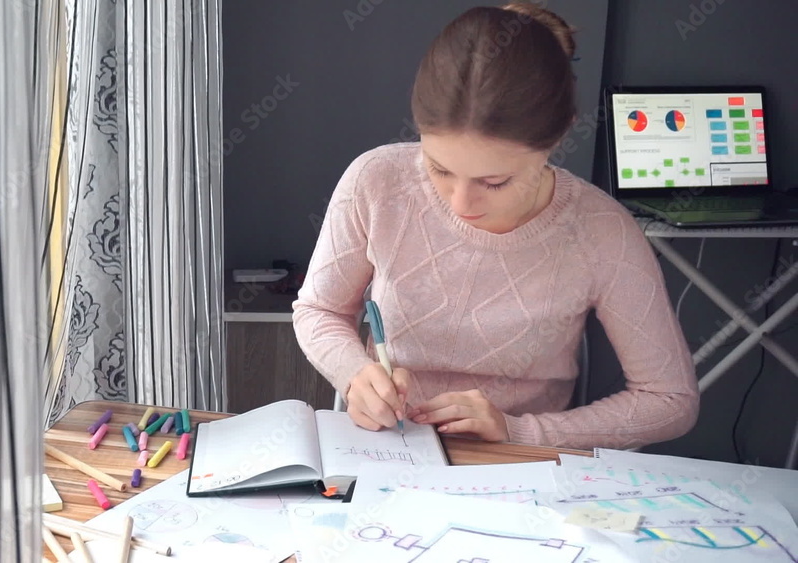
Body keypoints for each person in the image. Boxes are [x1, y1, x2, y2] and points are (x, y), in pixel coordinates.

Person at [292, 3, 699, 450]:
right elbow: (319, 311)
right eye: (439, 169)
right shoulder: (376, 181)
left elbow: (671, 400)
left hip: (516, 462)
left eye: (494, 182)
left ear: (560, 135)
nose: (460, 204)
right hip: (388, 446)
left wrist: (520, 431)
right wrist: (354, 374)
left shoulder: (602, 231)